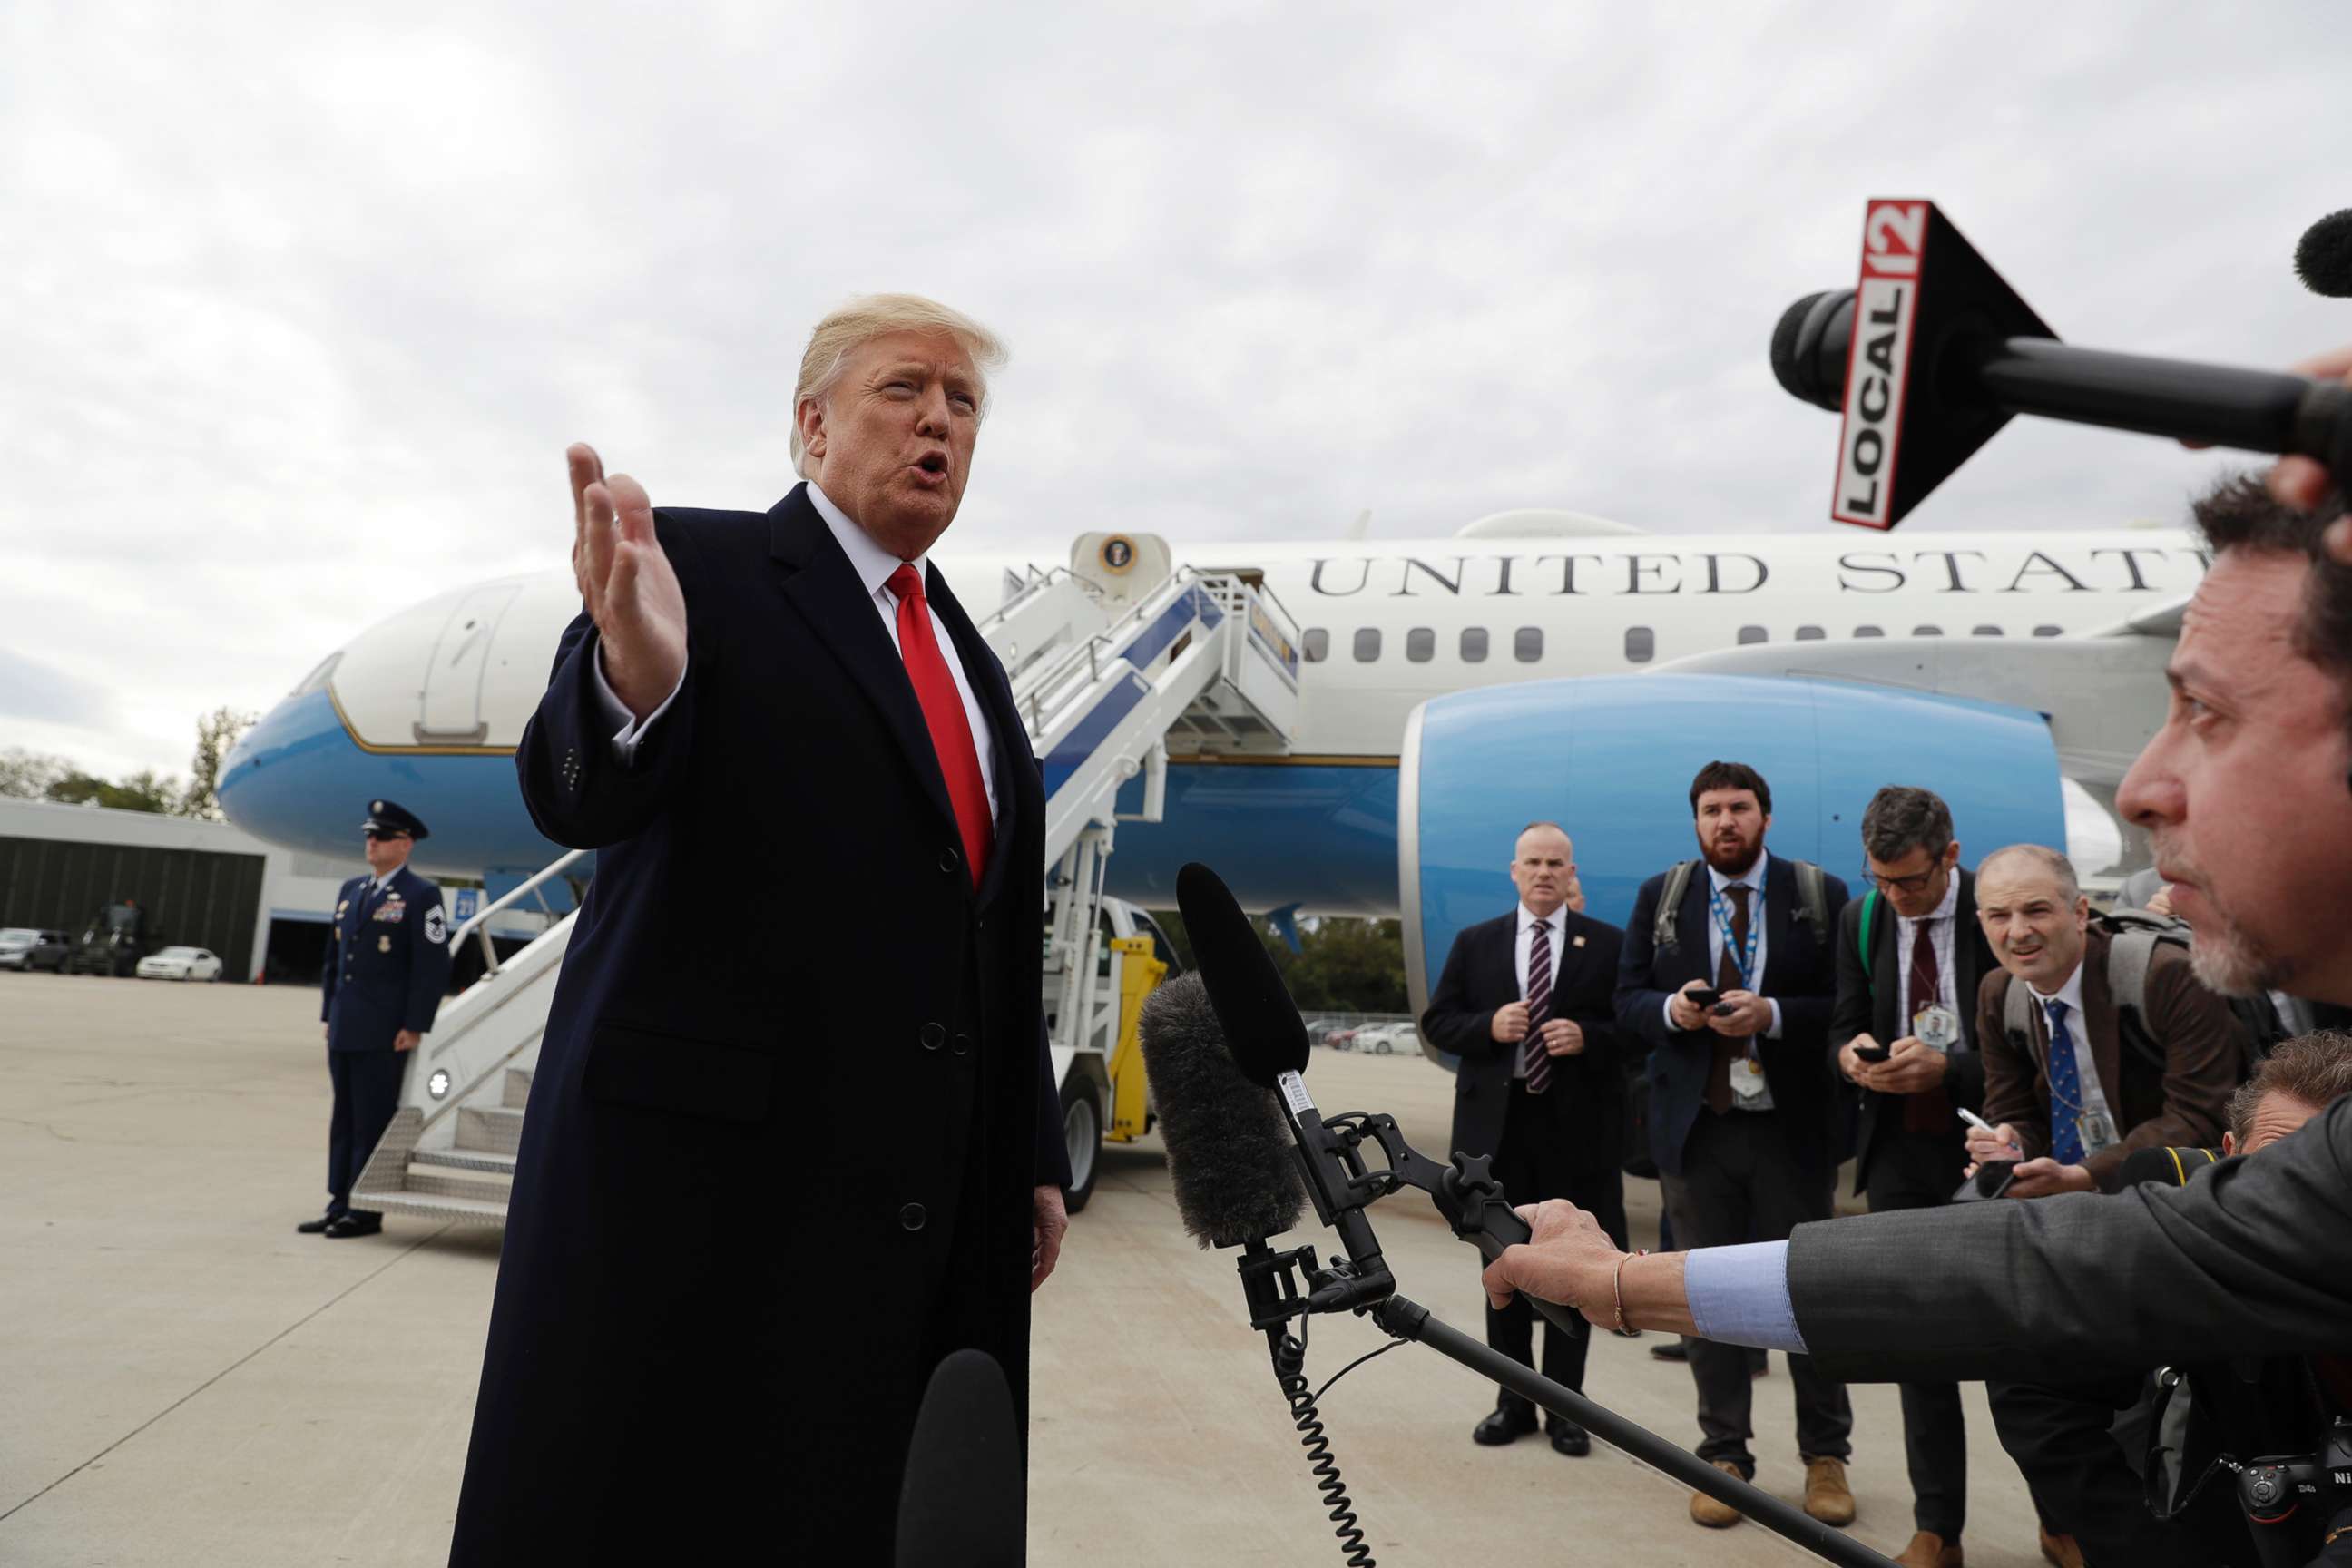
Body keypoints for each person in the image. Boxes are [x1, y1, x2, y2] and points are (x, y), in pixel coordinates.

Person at [1479, 470, 2352, 1408]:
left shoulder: (2150, 980)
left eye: (2207, 713)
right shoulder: (1737, 907)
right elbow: (2035, 1263)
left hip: (1881, 1144)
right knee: (2015, 1396)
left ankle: (1838, 1456)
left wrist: (1622, 1284)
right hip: (1843, 1143)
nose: (2140, 785)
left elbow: (2067, 1263)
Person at [448, 296, 1072, 1564]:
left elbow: (990, 937)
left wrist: (1026, 1160)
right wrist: (635, 683)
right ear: (810, 425)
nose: (939, 422)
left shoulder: (967, 655)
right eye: (906, 390)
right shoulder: (700, 568)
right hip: (706, 1220)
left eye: (964, 405)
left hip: (913, 1219)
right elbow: (578, 790)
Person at [1614, 760, 1856, 1531]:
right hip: (1698, 1131)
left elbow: (1847, 1006)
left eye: (1740, 808)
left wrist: (1774, 1014)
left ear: (1766, 818)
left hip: (1793, 1131)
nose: (1727, 821)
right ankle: (1724, 1455)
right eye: (1712, 810)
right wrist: (1675, 1014)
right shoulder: (1665, 897)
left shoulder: (1819, 897)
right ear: (1695, 821)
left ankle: (1826, 1455)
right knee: (1706, 1296)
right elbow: (1626, 1003)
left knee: (1806, 1295)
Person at [1828, 786, 1998, 1568]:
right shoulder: (1863, 919)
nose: (1897, 899)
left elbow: (2028, 1045)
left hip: (1993, 1147)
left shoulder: (1998, 915)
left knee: (2020, 1340)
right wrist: (1851, 1056)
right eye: (1881, 881)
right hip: (1897, 1149)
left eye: (1913, 883)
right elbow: (1845, 1016)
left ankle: (2065, 1517)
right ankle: (1940, 1529)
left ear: (1951, 857)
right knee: (1918, 1344)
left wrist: (1950, 1071)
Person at [1422, 822, 1626, 1457]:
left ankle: (1568, 1409)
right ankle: (1511, 1402)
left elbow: (1636, 1031)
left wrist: (1589, 1036)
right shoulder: (1476, 942)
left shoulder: (1610, 946)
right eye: (1533, 862)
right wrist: (1489, 1026)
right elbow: (1438, 1023)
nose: (1544, 873)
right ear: (1514, 872)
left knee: (1575, 1271)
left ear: (1572, 874)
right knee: (1503, 1271)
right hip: (1495, 1140)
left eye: (1556, 863)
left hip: (1575, 1134)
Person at [1962, 844, 2244, 1199]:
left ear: (2080, 912)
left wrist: (2082, 1175)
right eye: (1999, 916)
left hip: (2172, 1198)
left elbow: (2199, 1117)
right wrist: (2008, 1144)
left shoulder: (2167, 976)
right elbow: (2013, 1109)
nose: (2018, 932)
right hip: (2066, 1198)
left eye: (2036, 910)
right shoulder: (1998, 992)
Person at [304, 799, 451, 1240]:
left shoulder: (421, 895)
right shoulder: (351, 890)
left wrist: (414, 1024)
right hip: (346, 1025)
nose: (372, 843)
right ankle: (338, 1201)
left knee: (372, 1120)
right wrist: (329, 1013)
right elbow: (336, 960)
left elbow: (431, 967)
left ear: (404, 845)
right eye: (369, 836)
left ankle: (365, 1211)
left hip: (386, 1030)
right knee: (344, 1118)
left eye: (382, 837)